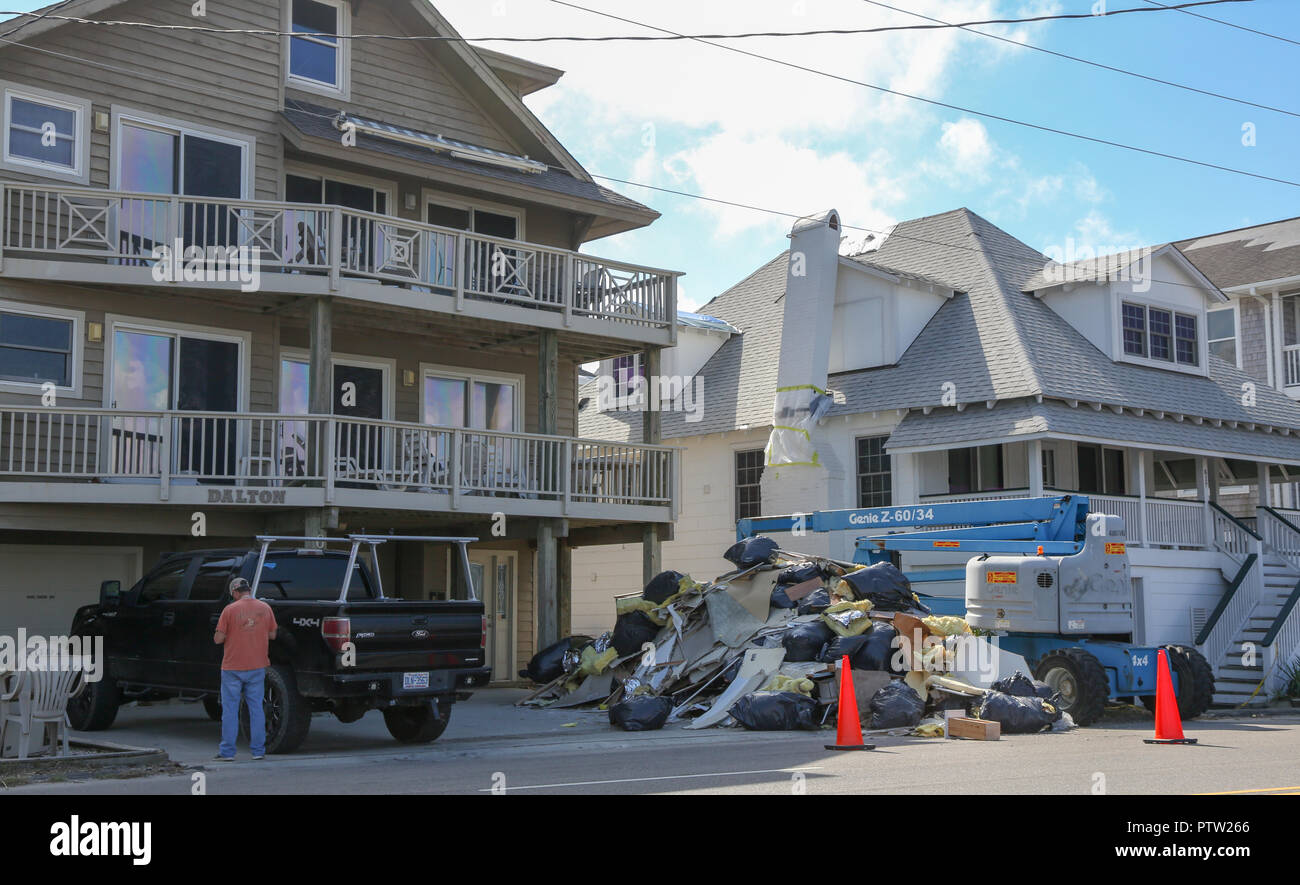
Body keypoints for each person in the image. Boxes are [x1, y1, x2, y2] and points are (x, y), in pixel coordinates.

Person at [212, 576, 277, 761]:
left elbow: (218, 639)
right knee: (256, 708)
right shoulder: (265, 608)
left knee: (230, 710)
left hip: (233, 666)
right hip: (257, 665)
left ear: (234, 592)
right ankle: (258, 751)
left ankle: (227, 752)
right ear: (248, 590)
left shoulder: (230, 609)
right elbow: (272, 634)